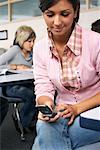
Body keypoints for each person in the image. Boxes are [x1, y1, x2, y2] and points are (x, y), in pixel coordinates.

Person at [32, 0, 100, 150]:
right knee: (45, 125)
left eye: (64, 14)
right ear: (43, 14)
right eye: (50, 14)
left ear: (75, 12)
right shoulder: (40, 48)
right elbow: (43, 86)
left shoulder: (96, 42)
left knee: (40, 143)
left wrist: (77, 108)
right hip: (63, 111)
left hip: (95, 110)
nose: (57, 22)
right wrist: (46, 104)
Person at [0, 25, 37, 132]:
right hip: (11, 87)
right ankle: (23, 121)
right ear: (21, 40)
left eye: (33, 41)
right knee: (31, 95)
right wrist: (14, 67)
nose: (32, 44)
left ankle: (30, 120)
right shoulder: (15, 50)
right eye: (29, 41)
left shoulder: (32, 53)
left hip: (28, 84)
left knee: (40, 93)